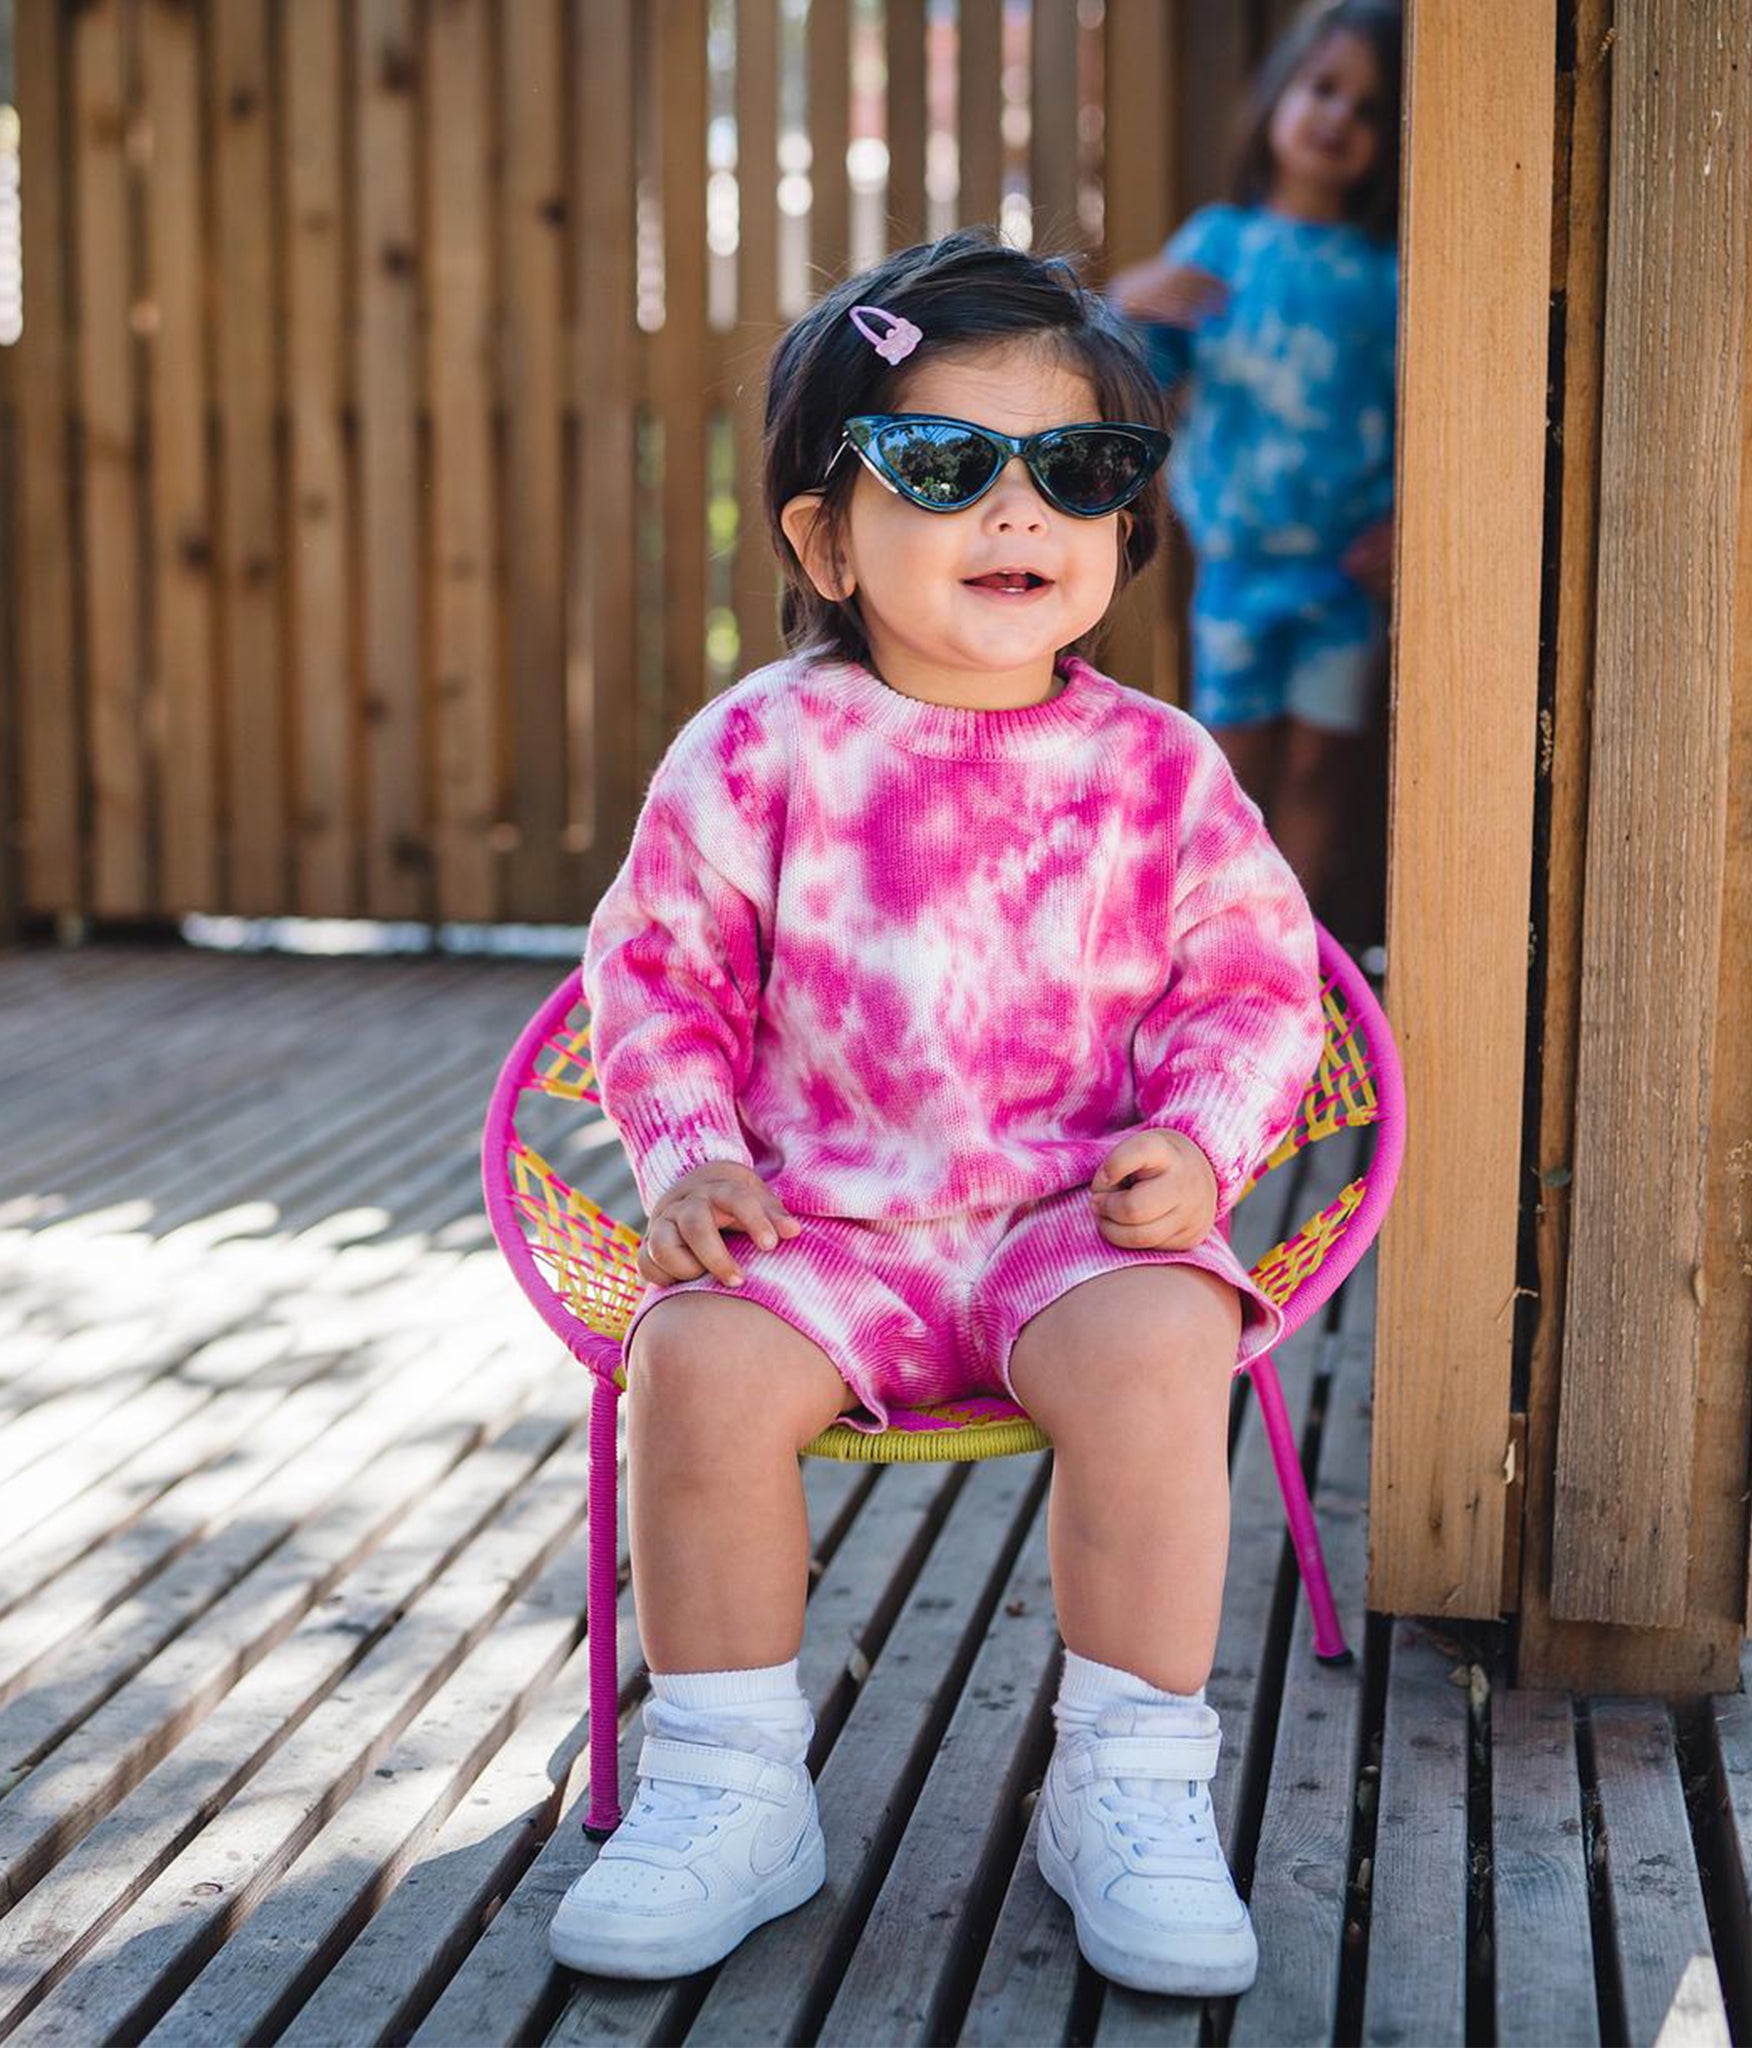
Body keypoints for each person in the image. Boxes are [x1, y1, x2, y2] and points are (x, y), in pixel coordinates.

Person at [551, 229, 1325, 1999]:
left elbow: (1259, 984)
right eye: (939, 462)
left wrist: (1200, 1143)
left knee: (1164, 1336)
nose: (1015, 511)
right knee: (698, 1358)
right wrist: (691, 1159)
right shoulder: (757, 752)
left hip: (1073, 1217)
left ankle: (1123, 1781)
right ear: (825, 535)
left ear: (1123, 521)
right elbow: (654, 977)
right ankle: (732, 1779)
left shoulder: (1157, 772)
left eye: (1074, 467)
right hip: (815, 1221)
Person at [1109, 0, 1401, 936]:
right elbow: (1139, 382)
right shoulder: (1219, 245)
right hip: (1237, 569)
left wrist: (1409, 525)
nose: (1338, 119)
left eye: (1368, 109)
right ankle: (1209, 956)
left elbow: (1418, 417)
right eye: (1324, 89)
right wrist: (1123, 305)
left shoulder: (1388, 275)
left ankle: (1297, 966)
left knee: (1322, 771)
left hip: (1345, 574)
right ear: (1279, 96)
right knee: (1227, 771)